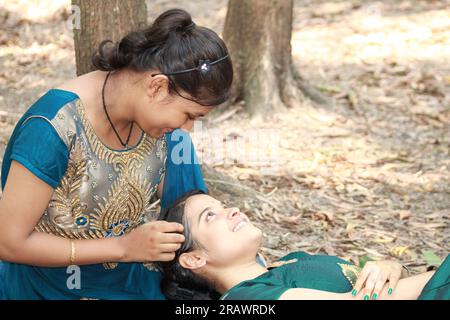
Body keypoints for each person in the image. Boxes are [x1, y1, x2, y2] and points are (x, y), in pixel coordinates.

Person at [0, 8, 233, 299]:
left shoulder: (170, 138)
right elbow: (9, 242)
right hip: (43, 285)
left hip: (128, 281)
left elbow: (193, 227)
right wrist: (123, 247)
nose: (187, 129)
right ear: (158, 86)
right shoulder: (53, 128)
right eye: (189, 115)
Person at [158, 191, 449, 300]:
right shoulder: (245, 299)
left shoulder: (292, 261)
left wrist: (393, 265)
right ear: (193, 259)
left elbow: (378, 287)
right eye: (211, 216)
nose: (231, 210)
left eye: (223, 205)